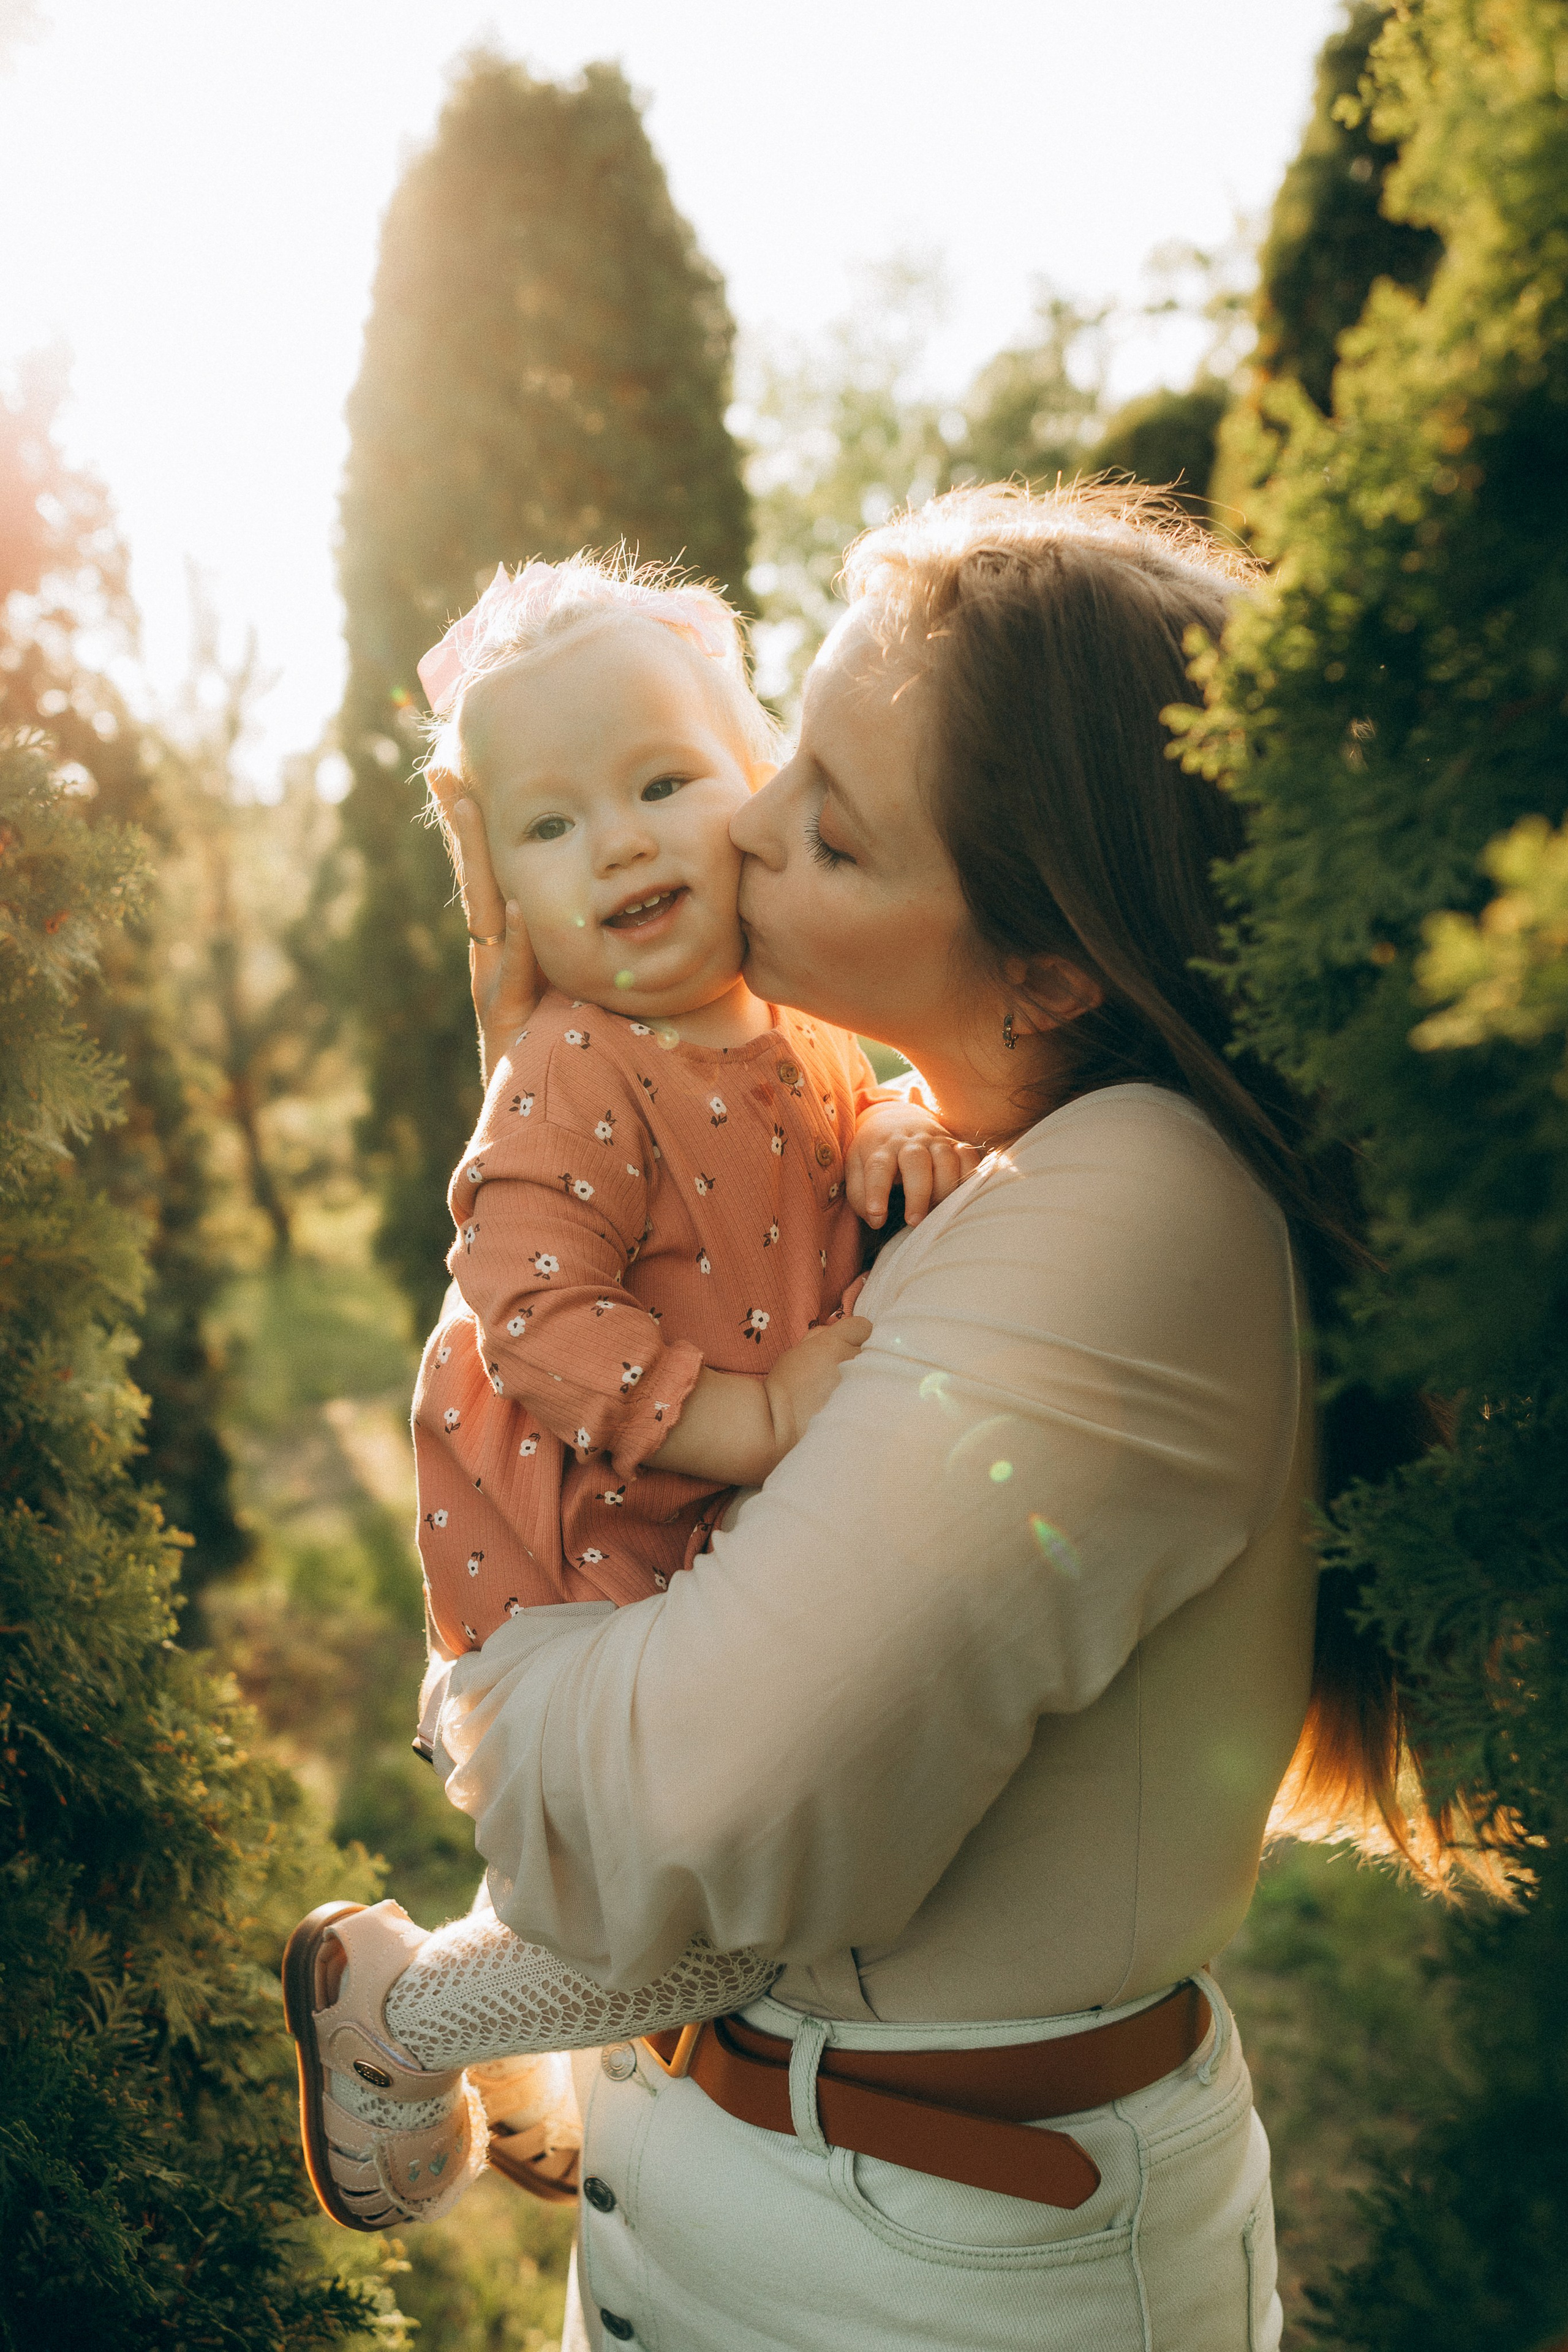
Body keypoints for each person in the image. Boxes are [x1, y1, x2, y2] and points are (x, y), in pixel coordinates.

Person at [288, 485, 1446, 2348]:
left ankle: (413, 2019)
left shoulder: (1139, 1193)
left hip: (927, 2262)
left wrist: (480, 1698)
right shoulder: (966, 1144)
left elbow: (689, 1815)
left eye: (818, 816)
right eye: (780, 752)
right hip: (736, 2190)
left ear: (1054, 969)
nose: (737, 824)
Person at [284, 554, 972, 2229]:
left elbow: (858, 1126)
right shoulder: (574, 1065)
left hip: (676, 1573)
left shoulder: (801, 1035)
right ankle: (399, 2015)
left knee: (721, 1864)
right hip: (550, 1592)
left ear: (761, 794)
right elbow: (526, 1307)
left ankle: (532, 2042)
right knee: (732, 1917)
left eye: (666, 781)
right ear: (502, 887)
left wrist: (901, 1125)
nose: (622, 839)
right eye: (553, 821)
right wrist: (748, 1419)